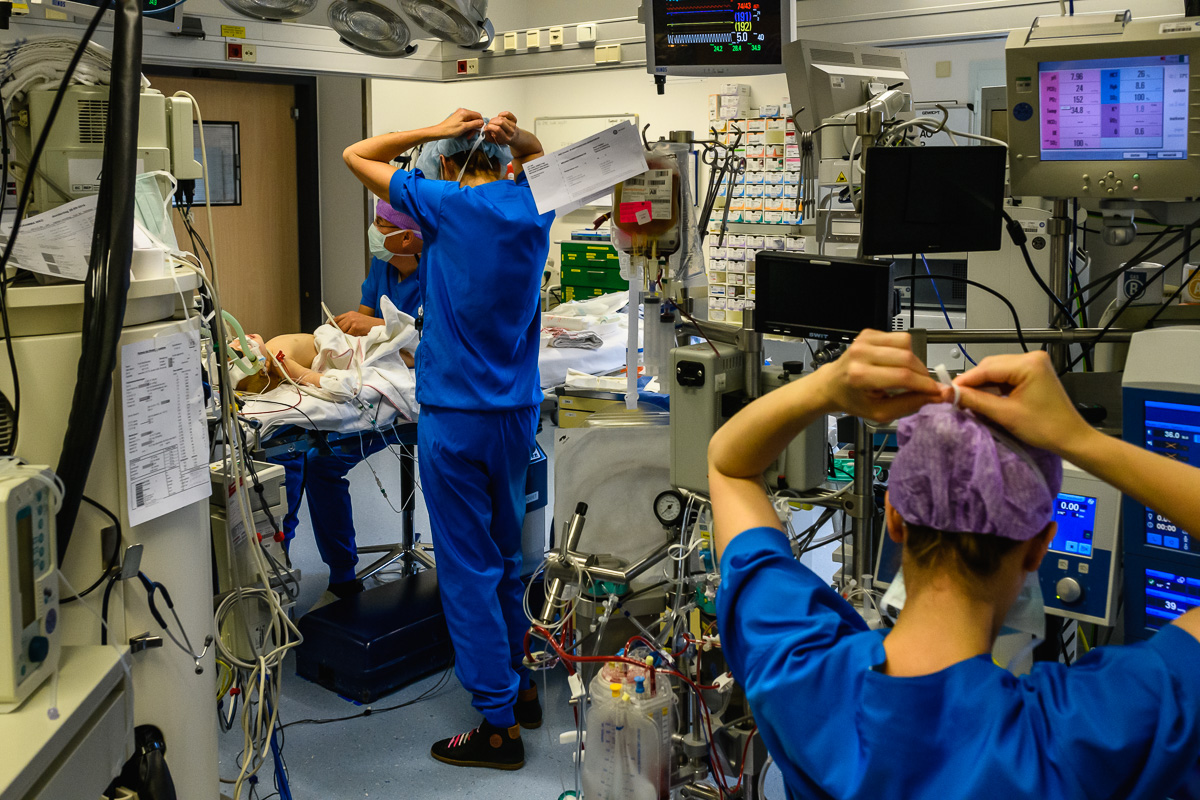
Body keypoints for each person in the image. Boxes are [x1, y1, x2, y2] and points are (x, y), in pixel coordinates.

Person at [707, 330, 1200, 799]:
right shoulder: (1086, 731)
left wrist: (825, 386)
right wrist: (1079, 439)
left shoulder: (801, 674)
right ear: (1038, 547)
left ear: (895, 520)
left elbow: (729, 464)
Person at [342, 108, 552, 770]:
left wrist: (432, 129)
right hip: (515, 414)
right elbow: (542, 154)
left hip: (456, 418)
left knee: (467, 570)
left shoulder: (441, 201)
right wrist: (515, 136)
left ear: (448, 165)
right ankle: (520, 690)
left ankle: (497, 727)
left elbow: (356, 153)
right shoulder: (533, 200)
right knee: (506, 558)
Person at [336, 200, 424, 336]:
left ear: (406, 237)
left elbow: (431, 340)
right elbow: (360, 325)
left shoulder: (437, 277)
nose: (373, 229)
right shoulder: (382, 262)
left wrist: (378, 325)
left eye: (379, 223)